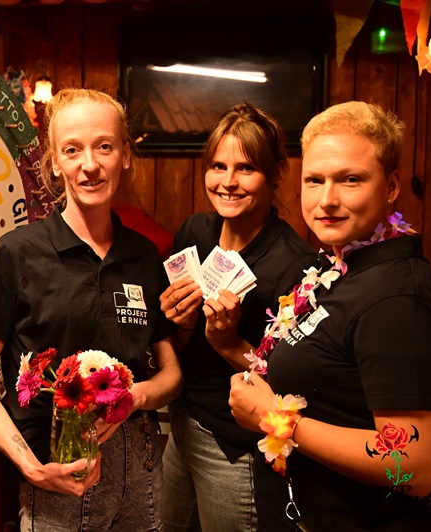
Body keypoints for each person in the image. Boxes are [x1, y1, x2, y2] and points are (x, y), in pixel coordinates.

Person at [229, 101, 431, 531]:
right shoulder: (341, 265)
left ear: (391, 187)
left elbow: (414, 467)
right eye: (314, 180)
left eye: (350, 179)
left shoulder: (398, 299)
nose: (327, 200)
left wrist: (274, 418)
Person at [0, 88, 182, 530]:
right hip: (57, 475)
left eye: (105, 146)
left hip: (140, 474)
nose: (90, 164)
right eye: (72, 150)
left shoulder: (143, 255)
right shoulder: (18, 253)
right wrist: (30, 467)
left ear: (125, 155)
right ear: (55, 163)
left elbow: (171, 373)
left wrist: (135, 398)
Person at [159, 103, 318, 531]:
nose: (228, 182)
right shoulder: (194, 231)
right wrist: (180, 323)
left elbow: (289, 388)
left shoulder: (296, 266)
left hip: (234, 446)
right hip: (181, 423)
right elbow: (176, 345)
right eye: (218, 166)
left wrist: (230, 345)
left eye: (246, 168)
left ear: (276, 174)